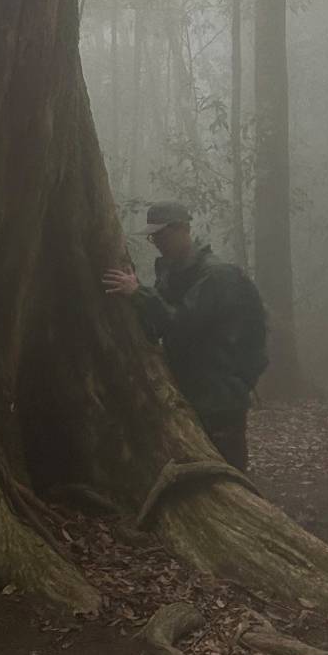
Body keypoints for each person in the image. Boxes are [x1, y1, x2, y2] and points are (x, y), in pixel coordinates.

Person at [103, 200, 268, 471]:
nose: (156, 241)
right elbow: (157, 326)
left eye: (162, 234)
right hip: (188, 391)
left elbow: (181, 322)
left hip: (219, 397)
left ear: (183, 229)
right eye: (152, 236)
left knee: (227, 469)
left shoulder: (215, 276)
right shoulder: (172, 274)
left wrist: (139, 294)